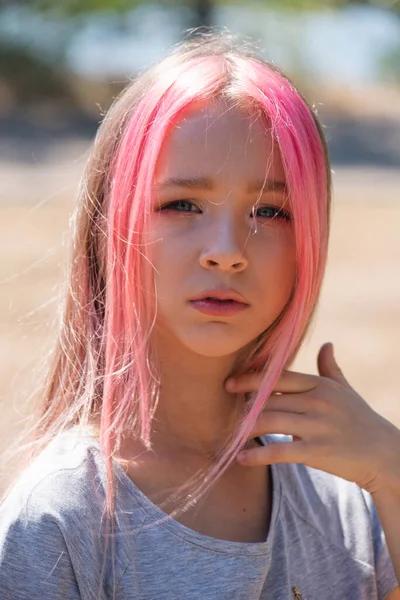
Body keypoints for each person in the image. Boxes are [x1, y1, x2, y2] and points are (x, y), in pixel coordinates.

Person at [0, 30, 399, 600]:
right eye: (182, 204)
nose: (228, 248)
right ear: (111, 227)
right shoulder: (62, 519)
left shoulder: (348, 492)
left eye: (270, 210)